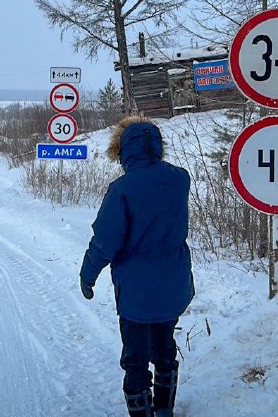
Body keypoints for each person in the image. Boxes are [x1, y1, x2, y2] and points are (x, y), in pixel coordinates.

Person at [79, 116, 194, 417]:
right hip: (173, 284)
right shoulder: (180, 179)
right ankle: (165, 409)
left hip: (136, 292)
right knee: (165, 348)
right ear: (157, 147)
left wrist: (87, 274)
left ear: (122, 151)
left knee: (135, 358)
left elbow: (106, 240)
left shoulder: (122, 189)